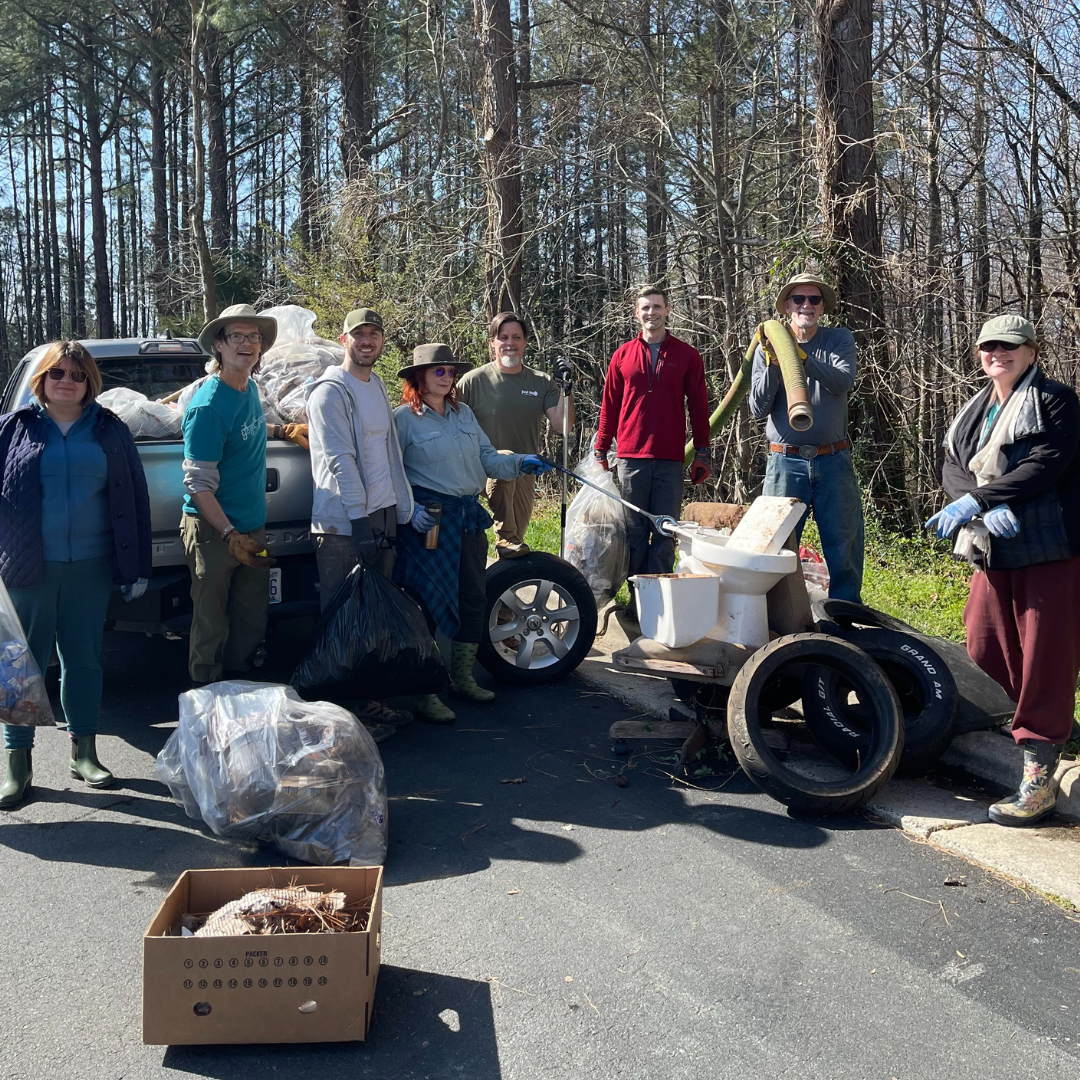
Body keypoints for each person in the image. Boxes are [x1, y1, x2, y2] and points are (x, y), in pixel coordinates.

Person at [926, 314, 1080, 827]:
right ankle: (1046, 722)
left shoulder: (1055, 400)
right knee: (984, 643)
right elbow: (953, 463)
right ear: (979, 354)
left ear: (1031, 352)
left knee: (1045, 655)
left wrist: (982, 498)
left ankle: (1038, 775)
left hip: (1049, 543)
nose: (999, 354)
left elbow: (1046, 462)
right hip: (995, 545)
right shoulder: (974, 409)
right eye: (990, 347)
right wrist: (973, 504)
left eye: (1010, 347)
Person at [0, 341, 151, 808]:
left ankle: (84, 751)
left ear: (90, 383)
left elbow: (134, 500)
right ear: (40, 380)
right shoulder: (14, 428)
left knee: (83, 660)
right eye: (57, 373)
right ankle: (16, 764)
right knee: (20, 667)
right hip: (28, 566)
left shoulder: (110, 430)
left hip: (91, 565)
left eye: (77, 374)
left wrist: (137, 565)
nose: (67, 380)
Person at [393, 344, 553, 722]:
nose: (447, 378)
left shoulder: (463, 414)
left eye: (450, 372)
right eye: (438, 372)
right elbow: (391, 472)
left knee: (472, 598)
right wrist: (409, 510)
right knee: (428, 603)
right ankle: (425, 690)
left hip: (466, 517)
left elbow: (487, 457)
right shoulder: (402, 420)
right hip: (428, 522)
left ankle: (462, 678)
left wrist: (519, 461)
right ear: (419, 377)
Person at [305, 307, 415, 739]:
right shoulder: (330, 392)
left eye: (374, 333)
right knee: (341, 617)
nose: (367, 341)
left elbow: (389, 453)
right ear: (342, 338)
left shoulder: (376, 385)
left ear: (383, 340)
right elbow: (340, 461)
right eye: (358, 334)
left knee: (372, 619)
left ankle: (368, 702)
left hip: (381, 515)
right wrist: (359, 521)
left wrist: (400, 510)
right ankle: (340, 715)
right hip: (343, 523)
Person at [749, 271, 863, 602]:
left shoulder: (839, 339)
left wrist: (800, 358)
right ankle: (777, 619)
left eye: (814, 299)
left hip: (833, 460)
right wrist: (775, 362)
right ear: (787, 305)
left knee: (844, 548)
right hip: (785, 461)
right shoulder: (767, 345)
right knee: (775, 546)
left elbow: (842, 382)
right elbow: (757, 407)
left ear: (822, 307)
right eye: (799, 299)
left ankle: (845, 618)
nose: (806, 305)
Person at [181, 303, 278, 686]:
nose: (247, 343)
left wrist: (284, 432)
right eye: (236, 336)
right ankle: (206, 696)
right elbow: (198, 483)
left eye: (253, 337)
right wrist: (229, 535)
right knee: (211, 620)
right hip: (213, 531)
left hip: (253, 527)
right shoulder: (207, 407)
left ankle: (242, 689)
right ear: (218, 345)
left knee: (252, 615)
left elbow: (247, 431)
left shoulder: (249, 389)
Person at [594, 287, 711, 598]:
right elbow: (610, 406)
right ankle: (636, 599)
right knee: (633, 532)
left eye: (657, 307)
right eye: (645, 308)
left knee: (664, 531)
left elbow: (699, 406)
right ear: (637, 313)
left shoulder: (686, 355)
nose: (651, 313)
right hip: (631, 458)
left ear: (667, 310)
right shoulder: (622, 356)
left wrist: (703, 451)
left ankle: (658, 598)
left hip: (670, 459)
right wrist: (601, 449)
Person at [457, 313, 574, 558]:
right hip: (482, 471)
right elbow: (447, 419)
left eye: (516, 337)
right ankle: (504, 538)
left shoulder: (541, 382)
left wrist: (567, 388)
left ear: (525, 342)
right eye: (503, 337)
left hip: (525, 472)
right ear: (492, 342)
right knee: (507, 537)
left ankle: (502, 586)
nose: (510, 342)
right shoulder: (472, 381)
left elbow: (562, 426)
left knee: (514, 548)